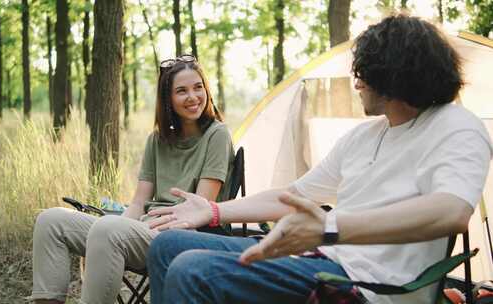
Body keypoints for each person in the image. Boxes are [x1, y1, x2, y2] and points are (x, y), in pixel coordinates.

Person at [145, 15, 493, 304]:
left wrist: (329, 229)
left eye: (362, 75)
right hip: (320, 260)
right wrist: (215, 211)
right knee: (168, 245)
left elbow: (452, 212)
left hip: (369, 285)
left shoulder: (455, 125)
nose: (356, 84)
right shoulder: (365, 136)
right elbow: (295, 195)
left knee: (192, 271)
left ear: (392, 76)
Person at [29, 55, 235, 304]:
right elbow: (138, 203)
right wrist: (121, 227)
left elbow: (198, 208)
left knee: (108, 229)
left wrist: (119, 230)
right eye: (182, 91)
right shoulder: (157, 140)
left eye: (198, 87)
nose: (193, 97)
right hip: (144, 229)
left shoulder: (217, 135)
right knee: (51, 221)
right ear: (167, 99)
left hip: (183, 235)